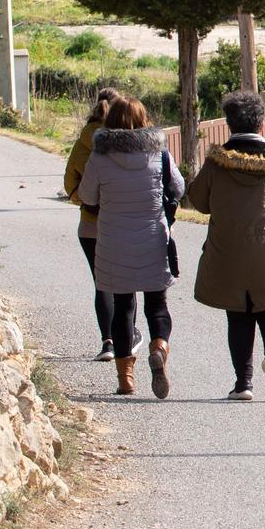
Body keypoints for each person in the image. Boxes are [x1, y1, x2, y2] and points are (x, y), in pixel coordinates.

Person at [186, 90, 265, 402]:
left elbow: (198, 202)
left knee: (238, 313)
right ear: (262, 123)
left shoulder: (217, 161)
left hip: (228, 248)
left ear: (229, 124)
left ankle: (243, 384)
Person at [76, 95, 185, 398]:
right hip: (153, 238)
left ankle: (126, 380)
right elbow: (178, 187)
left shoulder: (99, 156)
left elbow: (88, 195)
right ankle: (159, 348)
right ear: (144, 120)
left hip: (112, 240)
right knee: (157, 305)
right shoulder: (159, 152)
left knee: (123, 308)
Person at [62, 87, 121, 361]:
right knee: (123, 283)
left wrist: (85, 203)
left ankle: (108, 342)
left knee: (102, 284)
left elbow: (69, 185)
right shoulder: (126, 142)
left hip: (89, 225)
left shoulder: (83, 142)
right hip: (122, 223)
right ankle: (127, 335)